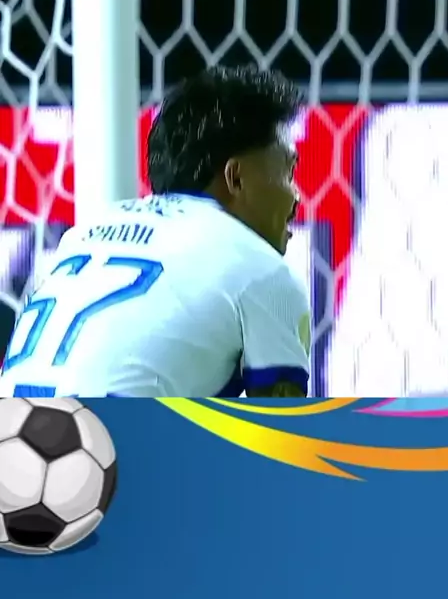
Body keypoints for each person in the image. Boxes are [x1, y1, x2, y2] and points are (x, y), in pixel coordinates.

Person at [0, 65, 311, 398]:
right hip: (107, 431)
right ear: (235, 178)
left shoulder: (84, 232)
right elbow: (281, 427)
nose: (296, 196)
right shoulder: (263, 269)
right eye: (289, 172)